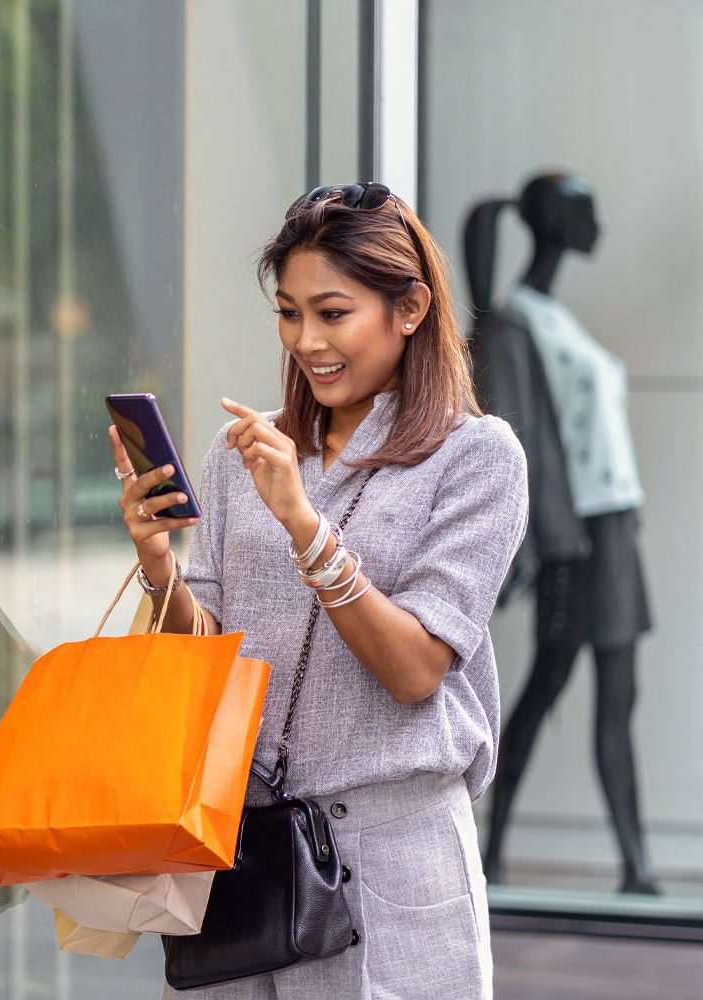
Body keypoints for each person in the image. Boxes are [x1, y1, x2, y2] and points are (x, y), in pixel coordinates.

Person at [110, 183, 528, 998]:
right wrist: (159, 564)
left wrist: (305, 527)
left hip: (392, 867)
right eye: (289, 312)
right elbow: (207, 661)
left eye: (333, 313)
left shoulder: (476, 457)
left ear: (408, 308)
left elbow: (415, 670)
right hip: (246, 857)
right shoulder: (246, 455)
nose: (307, 340)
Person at [464, 173, 657, 894]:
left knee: (616, 692)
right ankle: (495, 848)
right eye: (587, 209)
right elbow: (524, 448)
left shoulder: (553, 319)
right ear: (556, 223)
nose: (598, 221)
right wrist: (549, 542)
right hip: (578, 535)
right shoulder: (518, 323)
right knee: (548, 686)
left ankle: (635, 869)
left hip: (614, 528)